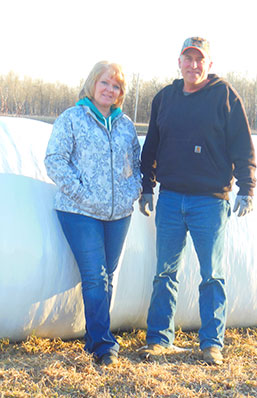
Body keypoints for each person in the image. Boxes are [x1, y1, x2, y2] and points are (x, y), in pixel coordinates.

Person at [138, 37, 256, 365]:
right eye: (187, 59)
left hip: (210, 200)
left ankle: (211, 344)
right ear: (179, 62)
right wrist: (147, 185)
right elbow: (152, 146)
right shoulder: (165, 98)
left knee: (212, 274)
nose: (193, 65)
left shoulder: (224, 96)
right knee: (165, 272)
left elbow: (242, 145)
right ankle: (160, 339)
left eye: (199, 60)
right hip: (171, 199)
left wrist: (247, 187)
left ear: (209, 64)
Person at [45, 61, 141, 366]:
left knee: (107, 277)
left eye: (116, 86)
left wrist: (130, 194)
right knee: (96, 276)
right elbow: (55, 161)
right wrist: (85, 195)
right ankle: (103, 344)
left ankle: (95, 337)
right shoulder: (72, 118)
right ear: (92, 84)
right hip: (79, 212)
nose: (110, 90)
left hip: (118, 214)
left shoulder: (125, 124)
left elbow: (136, 166)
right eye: (105, 83)